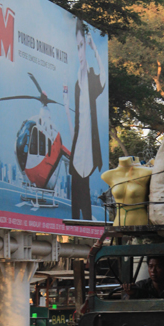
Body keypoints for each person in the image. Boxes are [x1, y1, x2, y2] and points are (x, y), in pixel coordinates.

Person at [64, 18, 106, 220]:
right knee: (75, 202)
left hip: (88, 153)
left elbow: (103, 79)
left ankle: (87, 225)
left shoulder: (90, 78)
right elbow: (77, 126)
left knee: (86, 205)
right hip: (77, 151)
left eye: (82, 46)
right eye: (77, 47)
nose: (80, 52)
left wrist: (94, 49)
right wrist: (65, 108)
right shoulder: (76, 85)